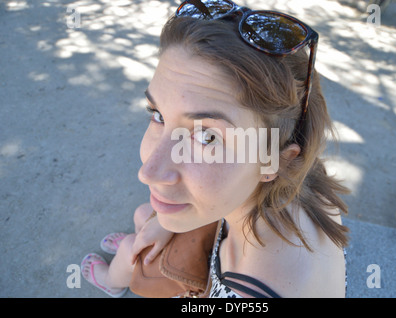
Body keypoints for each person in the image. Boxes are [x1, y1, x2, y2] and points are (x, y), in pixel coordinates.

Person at [81, 0, 349, 298]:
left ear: (274, 160)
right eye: (158, 115)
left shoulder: (254, 290)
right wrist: (166, 223)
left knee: (143, 232)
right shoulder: (299, 179)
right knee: (147, 213)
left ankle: (112, 281)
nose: (147, 171)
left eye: (207, 137)